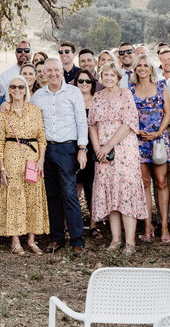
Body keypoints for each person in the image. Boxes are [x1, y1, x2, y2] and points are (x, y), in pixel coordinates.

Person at [88, 62, 148, 255]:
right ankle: (115, 239)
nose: (108, 78)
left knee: (125, 193)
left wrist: (108, 146)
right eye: (105, 75)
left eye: (112, 75)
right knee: (110, 193)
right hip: (104, 152)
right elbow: (92, 125)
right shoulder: (97, 97)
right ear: (100, 77)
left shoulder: (125, 95)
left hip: (123, 149)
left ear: (118, 77)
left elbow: (129, 123)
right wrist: (98, 149)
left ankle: (130, 242)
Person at [30, 58, 88, 252]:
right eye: (49, 71)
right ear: (44, 73)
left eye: (56, 70)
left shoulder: (73, 92)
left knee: (70, 194)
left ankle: (77, 240)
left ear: (62, 72)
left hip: (67, 149)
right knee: (52, 195)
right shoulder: (38, 96)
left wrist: (82, 148)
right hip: (46, 150)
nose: (53, 74)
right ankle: (56, 238)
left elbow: (82, 121)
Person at [0, 77, 48, 254]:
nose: (17, 89)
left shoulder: (35, 110)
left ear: (25, 90)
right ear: (9, 90)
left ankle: (32, 240)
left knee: (33, 197)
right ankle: (15, 241)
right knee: (13, 197)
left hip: (32, 158)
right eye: (13, 87)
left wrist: (41, 160)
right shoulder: (4, 112)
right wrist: (1, 166)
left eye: (20, 86)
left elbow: (41, 137)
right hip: (11, 157)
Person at [131, 56, 170, 243]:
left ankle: (164, 226)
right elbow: (128, 114)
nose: (142, 68)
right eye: (138, 65)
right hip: (138, 140)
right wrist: (137, 130)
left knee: (161, 182)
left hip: (158, 140)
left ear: (151, 68)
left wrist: (158, 133)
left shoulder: (162, 86)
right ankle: (147, 225)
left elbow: (169, 113)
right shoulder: (130, 90)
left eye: (145, 65)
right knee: (144, 183)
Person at [73, 69, 98, 235]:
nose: (84, 84)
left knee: (94, 186)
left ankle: (94, 224)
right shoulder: (72, 100)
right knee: (75, 187)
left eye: (87, 81)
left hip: (94, 147)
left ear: (92, 83)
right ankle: (71, 224)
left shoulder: (98, 101)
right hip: (75, 148)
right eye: (80, 81)